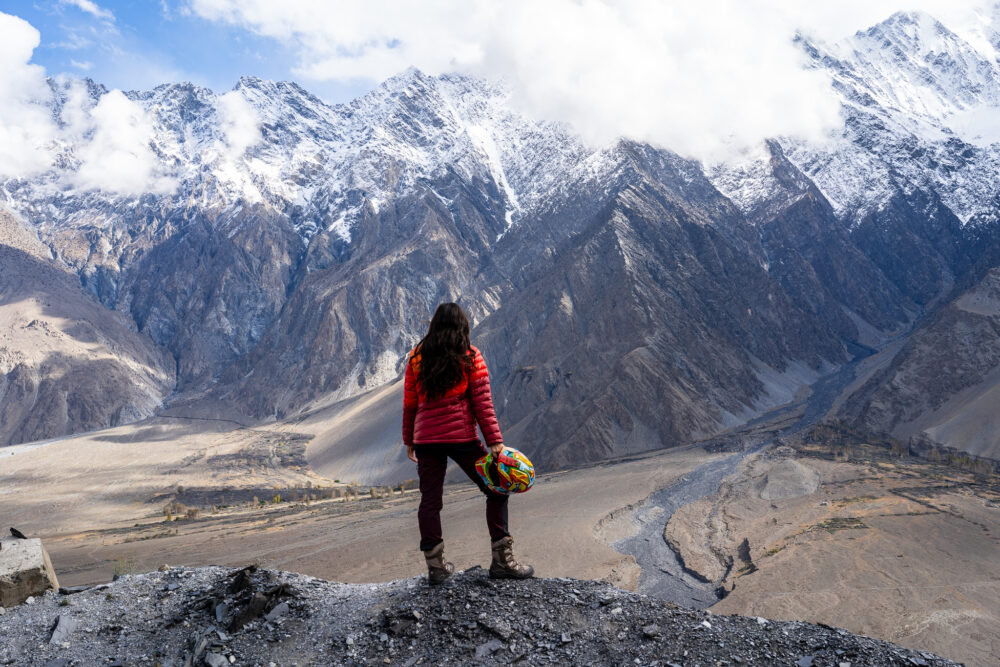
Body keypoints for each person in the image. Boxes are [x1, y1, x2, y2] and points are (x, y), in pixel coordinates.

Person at [402, 302, 534, 584]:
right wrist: (495, 441)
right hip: (462, 437)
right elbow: (482, 402)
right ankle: (502, 561)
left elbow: (410, 404)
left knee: (430, 503)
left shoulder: (416, 357)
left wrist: (408, 440)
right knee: (496, 490)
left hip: (426, 439)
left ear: (434, 326)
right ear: (463, 327)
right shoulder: (471, 356)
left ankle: (436, 569)